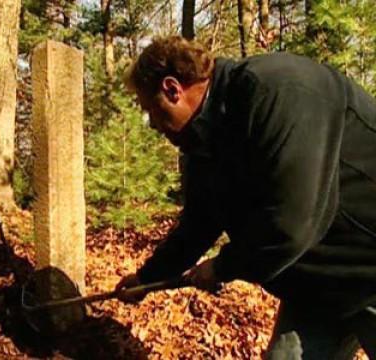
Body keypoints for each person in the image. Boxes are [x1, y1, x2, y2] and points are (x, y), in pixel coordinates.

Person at [115, 36, 376, 359]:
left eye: (149, 110)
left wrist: (223, 266)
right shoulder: (202, 145)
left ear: (172, 89)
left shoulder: (277, 91)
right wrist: (146, 279)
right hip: (319, 287)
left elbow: (293, 223)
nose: (152, 124)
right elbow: (197, 225)